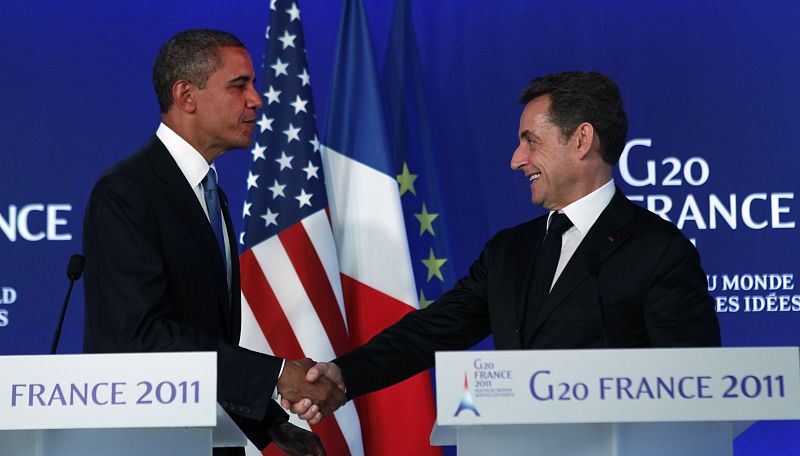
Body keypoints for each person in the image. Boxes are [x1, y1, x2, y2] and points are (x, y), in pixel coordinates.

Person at [287, 71, 721, 424]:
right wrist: (342, 374)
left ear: (582, 139)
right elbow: (430, 331)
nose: (517, 159)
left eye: (531, 140)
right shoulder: (510, 251)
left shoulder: (660, 251)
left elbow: (692, 386)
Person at [82, 29, 341, 456]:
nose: (256, 100)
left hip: (202, 438)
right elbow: (144, 336)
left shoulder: (211, 193)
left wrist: (272, 423)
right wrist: (276, 376)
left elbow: (201, 339)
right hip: (145, 440)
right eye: (239, 85)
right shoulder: (127, 191)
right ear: (186, 94)